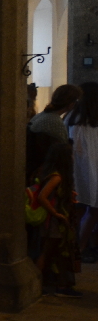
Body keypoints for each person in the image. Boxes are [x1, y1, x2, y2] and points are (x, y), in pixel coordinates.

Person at [31, 143, 80, 296]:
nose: (73, 157)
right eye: (70, 154)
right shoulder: (57, 177)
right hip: (53, 222)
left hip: (53, 221)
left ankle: (56, 285)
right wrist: (56, 214)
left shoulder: (48, 172)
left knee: (52, 252)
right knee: (47, 252)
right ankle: (38, 285)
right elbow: (42, 197)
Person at [66, 81, 98, 263]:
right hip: (90, 171)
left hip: (76, 171)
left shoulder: (72, 117)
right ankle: (81, 246)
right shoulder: (91, 120)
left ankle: (74, 246)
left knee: (78, 211)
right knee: (92, 210)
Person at [27, 84, 81, 184]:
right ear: (71, 104)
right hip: (45, 174)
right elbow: (61, 153)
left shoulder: (41, 115)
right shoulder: (55, 122)